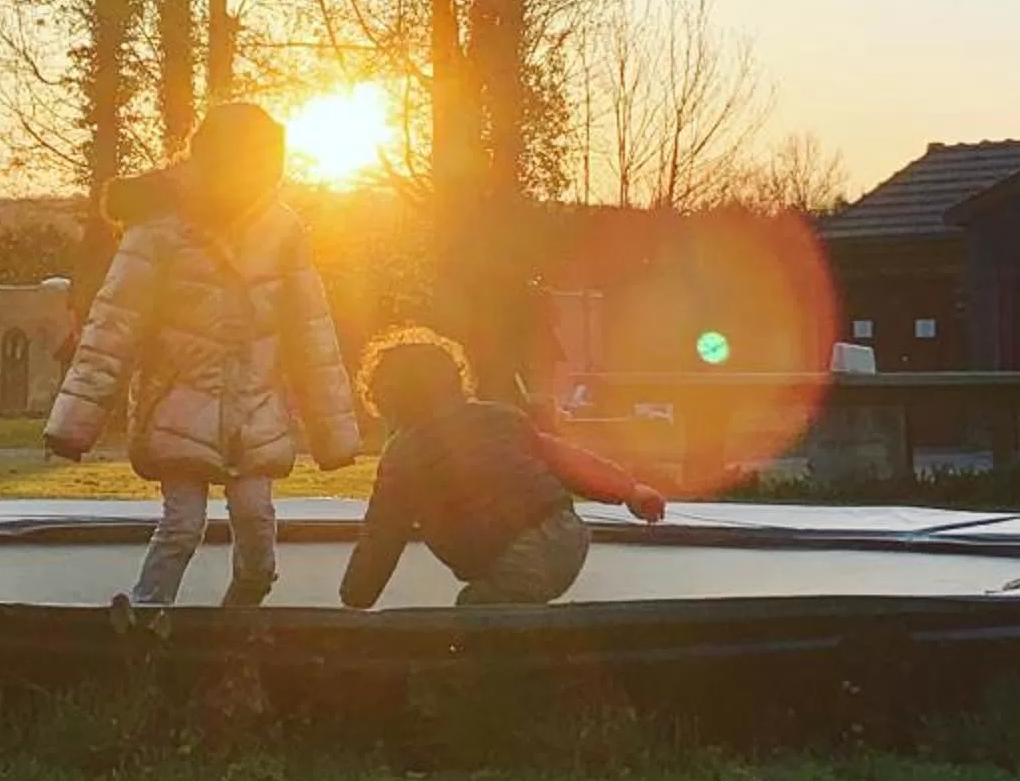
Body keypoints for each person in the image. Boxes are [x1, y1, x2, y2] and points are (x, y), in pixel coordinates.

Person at [45, 101, 359, 617]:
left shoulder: (282, 230)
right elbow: (114, 325)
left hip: (252, 408)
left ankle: (246, 606)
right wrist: (74, 424)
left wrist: (335, 434)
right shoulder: (159, 229)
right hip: (177, 401)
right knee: (182, 525)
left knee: (257, 521)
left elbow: (312, 334)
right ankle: (147, 613)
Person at [341, 325, 666, 611]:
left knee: (473, 620)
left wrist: (356, 598)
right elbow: (563, 459)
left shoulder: (402, 456)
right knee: (505, 599)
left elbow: (382, 535)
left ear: (387, 400)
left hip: (515, 556)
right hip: (567, 532)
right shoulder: (500, 417)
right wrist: (630, 490)